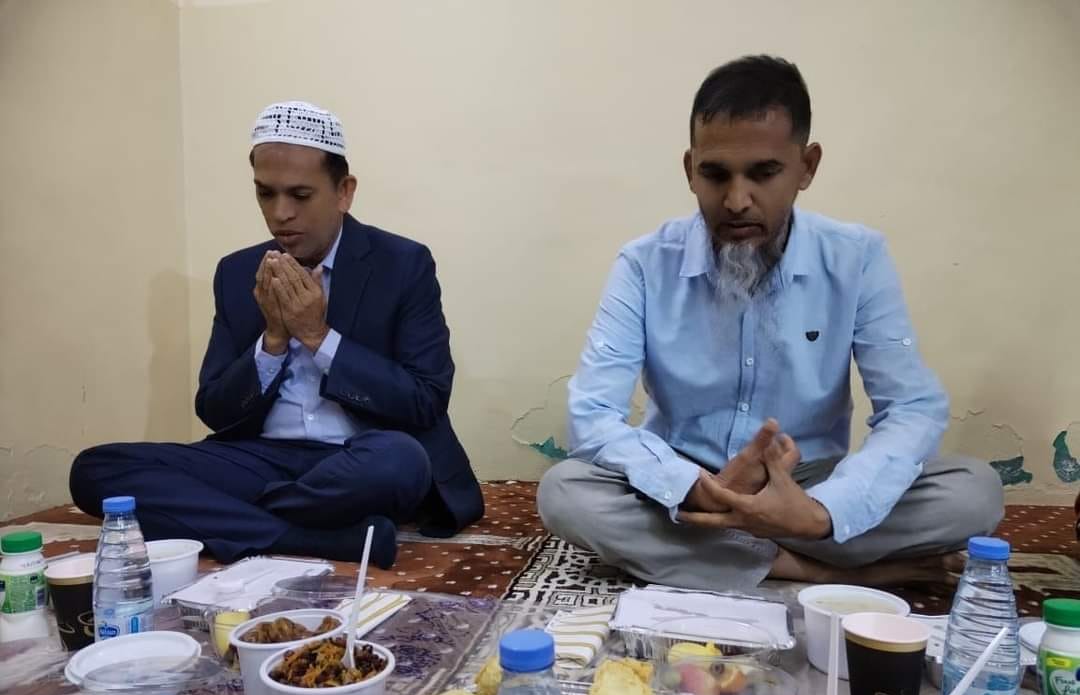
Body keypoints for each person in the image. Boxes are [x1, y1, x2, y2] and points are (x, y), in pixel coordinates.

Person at [537, 56, 1003, 591]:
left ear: (807, 166)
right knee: (565, 491)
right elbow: (593, 413)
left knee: (974, 492)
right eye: (715, 175)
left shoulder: (856, 258)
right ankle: (812, 570)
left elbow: (912, 407)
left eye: (764, 173)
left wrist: (822, 512)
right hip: (687, 485)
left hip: (805, 486)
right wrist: (692, 486)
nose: (737, 201)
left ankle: (737, 555)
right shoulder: (645, 264)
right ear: (690, 169)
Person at [70, 101, 484, 567]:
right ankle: (311, 538)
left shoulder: (403, 264)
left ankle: (228, 517)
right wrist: (272, 340)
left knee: (401, 459)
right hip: (261, 458)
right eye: (265, 194)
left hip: (358, 461)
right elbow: (214, 410)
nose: (280, 213)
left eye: (300, 195)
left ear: (344, 192)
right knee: (95, 470)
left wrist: (317, 335)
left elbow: (426, 400)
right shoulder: (238, 272)